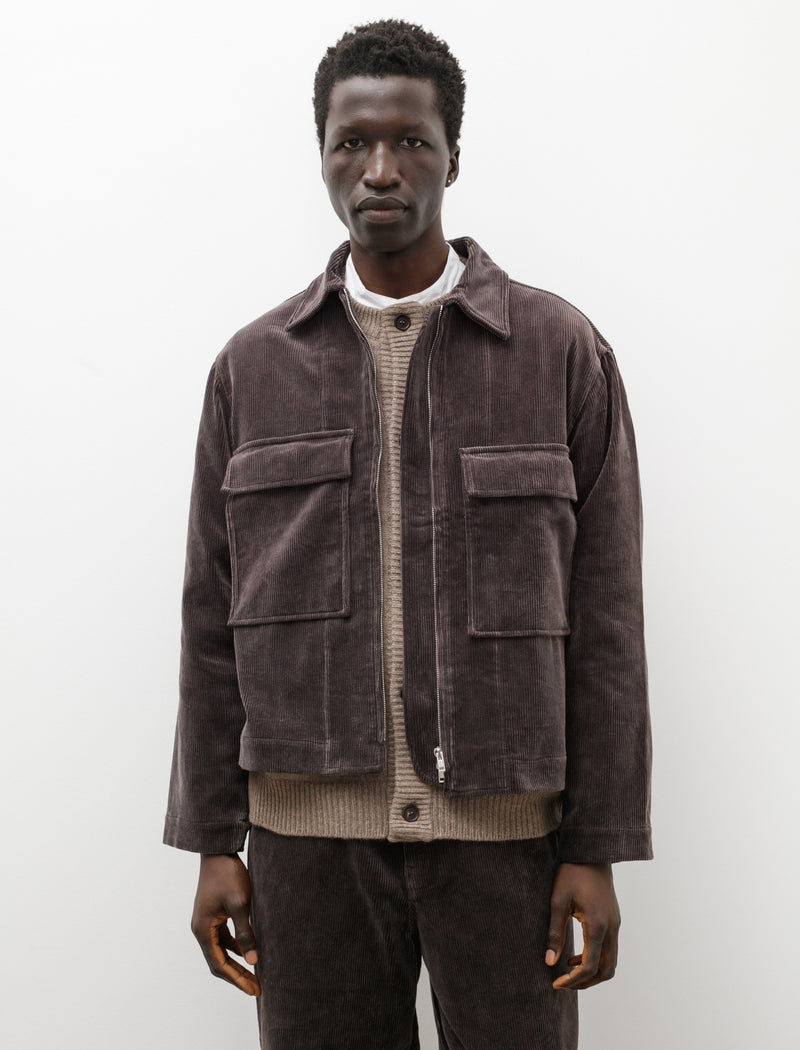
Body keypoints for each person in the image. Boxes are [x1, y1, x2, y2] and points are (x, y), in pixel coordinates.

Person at [164, 18, 652, 1050]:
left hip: (507, 843)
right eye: (352, 142)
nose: (379, 169)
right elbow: (210, 619)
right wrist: (212, 838)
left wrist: (596, 845)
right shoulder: (252, 368)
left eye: (410, 142)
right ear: (321, 155)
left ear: (452, 157)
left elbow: (607, 617)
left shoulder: (560, 352)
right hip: (305, 851)